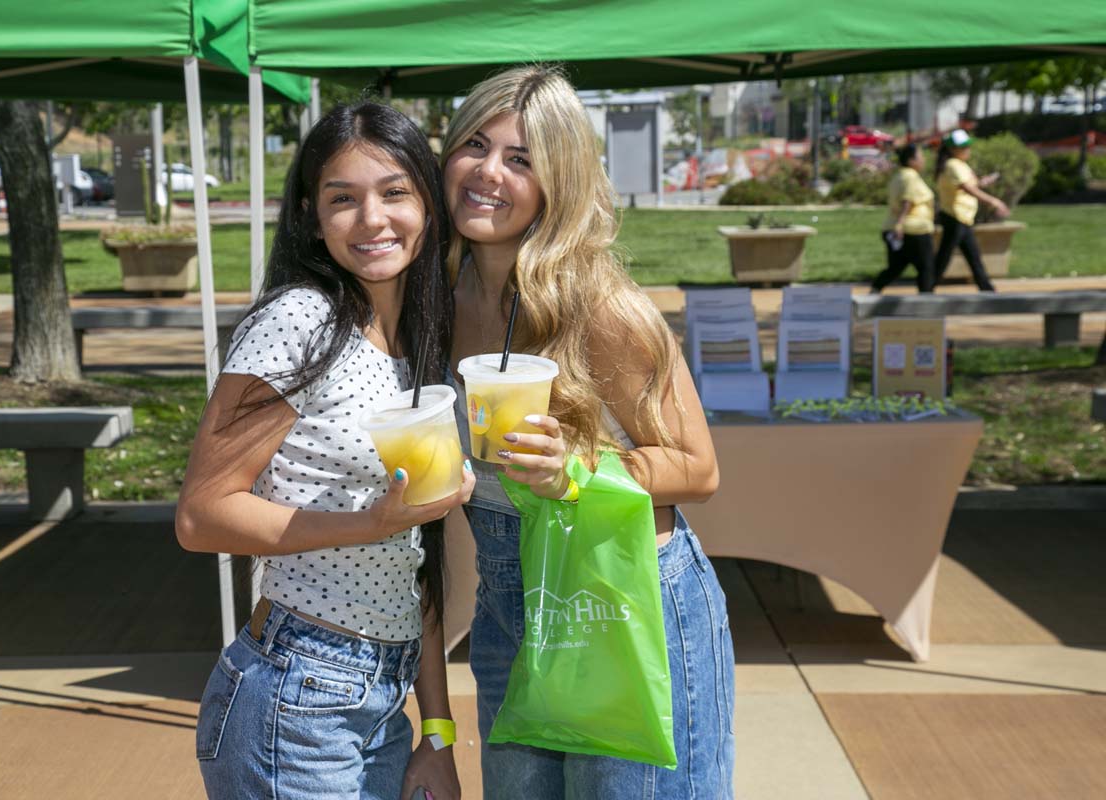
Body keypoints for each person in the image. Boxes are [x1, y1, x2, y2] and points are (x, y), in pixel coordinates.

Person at [440, 65, 733, 799]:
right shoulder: (439, 293)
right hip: (512, 592)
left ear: (558, 179)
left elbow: (699, 468)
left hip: (624, 590)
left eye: (521, 158)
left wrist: (576, 466)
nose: (487, 172)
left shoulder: (599, 306)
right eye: (474, 145)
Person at [177, 101, 474, 800]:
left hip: (382, 699)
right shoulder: (301, 323)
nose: (373, 219)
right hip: (297, 696)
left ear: (428, 204)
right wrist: (369, 524)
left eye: (395, 192)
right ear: (313, 216)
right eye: (344, 199)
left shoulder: (415, 342)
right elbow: (201, 516)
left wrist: (438, 732)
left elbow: (416, 558)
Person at [934, 129, 1010, 291]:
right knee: (944, 257)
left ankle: (986, 288)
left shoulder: (960, 165)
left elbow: (971, 185)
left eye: (968, 146)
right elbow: (968, 188)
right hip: (955, 217)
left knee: (972, 256)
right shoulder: (953, 165)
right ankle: (927, 286)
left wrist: (983, 182)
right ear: (952, 149)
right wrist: (994, 202)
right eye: (963, 147)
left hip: (963, 218)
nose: (967, 150)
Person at [871, 143, 937, 293]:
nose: (923, 160)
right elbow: (907, 201)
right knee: (926, 267)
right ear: (911, 160)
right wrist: (900, 225)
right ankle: (926, 300)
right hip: (914, 229)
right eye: (920, 157)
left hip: (895, 227)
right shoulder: (911, 177)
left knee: (896, 267)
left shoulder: (899, 175)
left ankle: (874, 290)